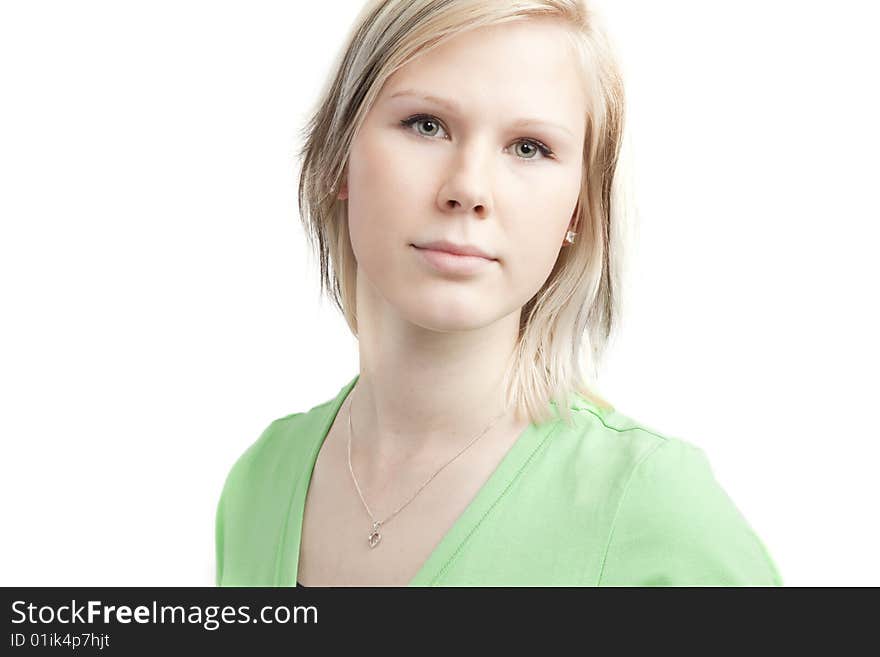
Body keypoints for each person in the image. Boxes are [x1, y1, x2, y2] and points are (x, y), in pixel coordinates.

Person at [215, 0, 784, 587]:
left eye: (529, 146)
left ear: (580, 211)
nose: (468, 188)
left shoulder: (653, 506)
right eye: (426, 125)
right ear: (339, 157)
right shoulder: (262, 481)